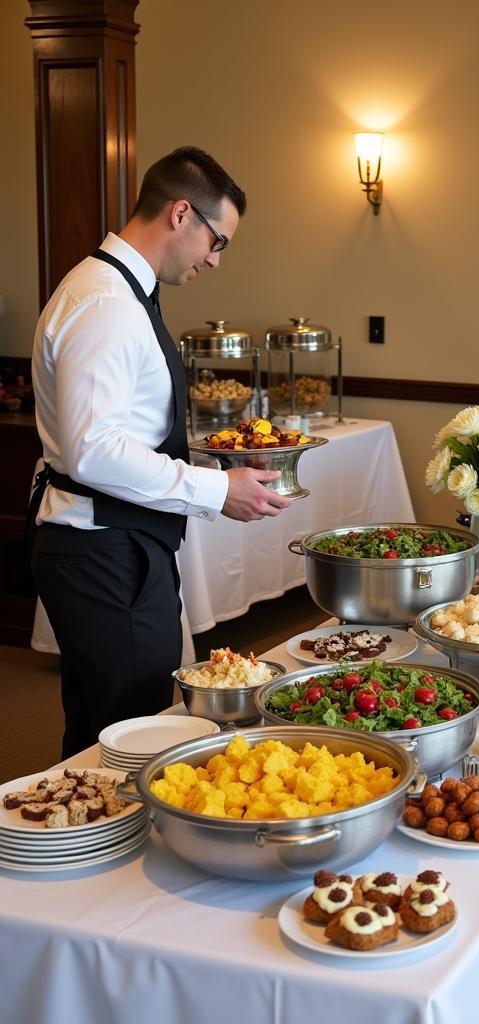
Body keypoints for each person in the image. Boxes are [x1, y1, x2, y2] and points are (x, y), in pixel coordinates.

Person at [30, 146, 291, 758]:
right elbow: (95, 451)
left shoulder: (120, 289)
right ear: (181, 214)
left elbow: (121, 435)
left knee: (102, 733)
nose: (215, 260)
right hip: (101, 550)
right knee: (136, 731)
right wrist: (215, 491)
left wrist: (212, 473)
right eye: (217, 241)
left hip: (115, 539)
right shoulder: (105, 302)